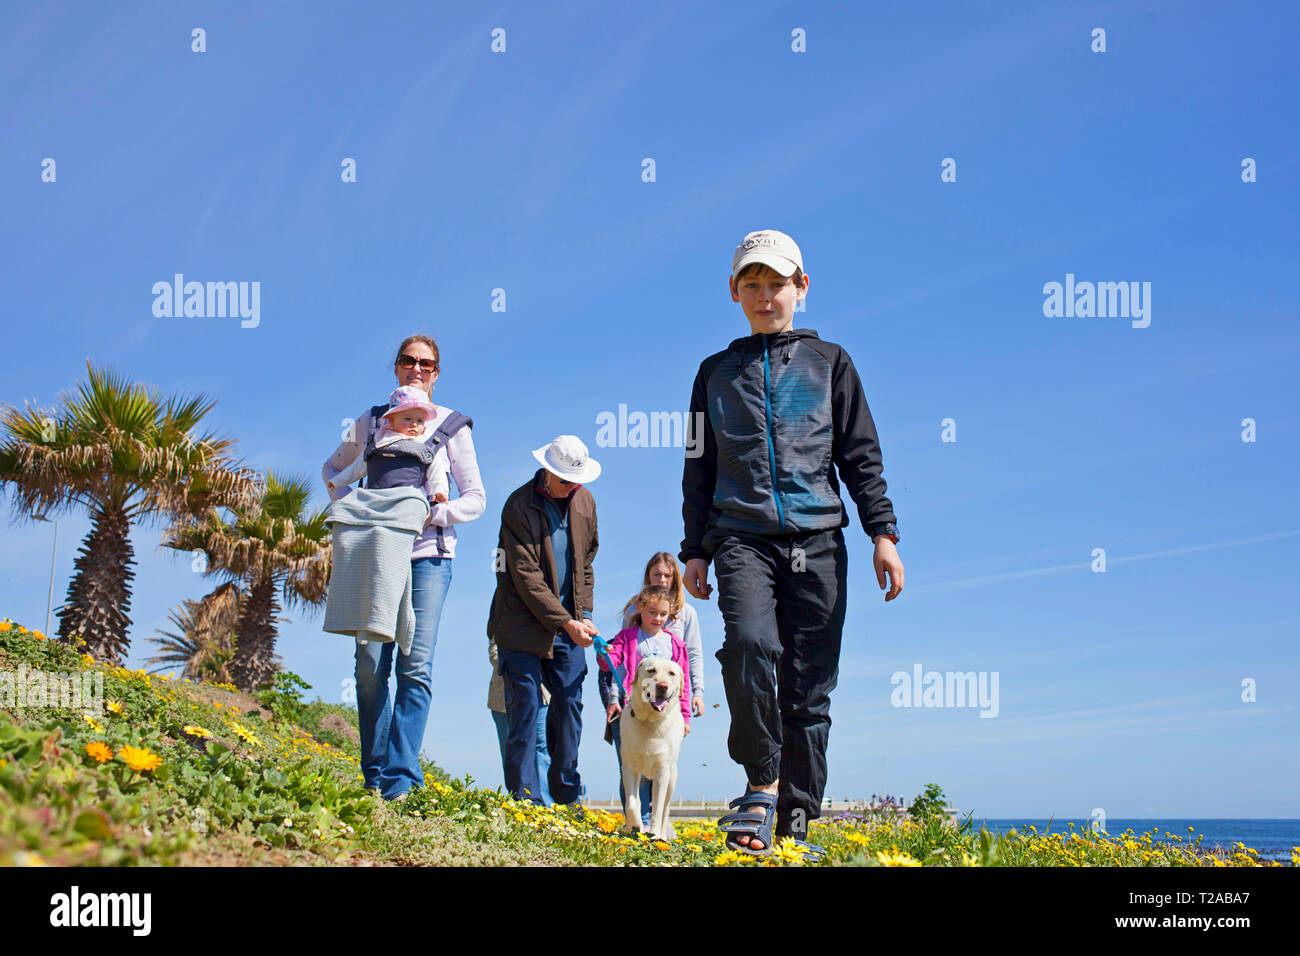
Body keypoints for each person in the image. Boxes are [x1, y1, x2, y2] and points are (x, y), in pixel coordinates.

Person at [680, 229, 904, 856]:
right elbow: (698, 467)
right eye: (751, 284)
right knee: (750, 645)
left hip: (820, 539)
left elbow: (861, 454)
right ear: (734, 292)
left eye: (776, 283)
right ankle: (760, 785)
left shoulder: (831, 362)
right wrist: (695, 547)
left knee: (809, 688)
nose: (764, 294)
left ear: (801, 287)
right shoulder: (713, 374)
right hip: (740, 537)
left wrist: (882, 532)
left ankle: (796, 819)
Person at [322, 335, 486, 801]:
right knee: (370, 666)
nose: (417, 368)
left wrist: (430, 512)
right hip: (375, 556)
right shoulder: (372, 421)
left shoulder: (452, 427)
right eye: (408, 361)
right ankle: (373, 771)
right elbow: (332, 470)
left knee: (417, 667)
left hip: (428, 559)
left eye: (427, 363)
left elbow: (475, 498)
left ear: (437, 372)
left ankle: (400, 781)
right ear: (396, 367)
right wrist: (359, 511)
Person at [487, 435, 600, 807]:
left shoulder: (584, 500)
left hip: (569, 625)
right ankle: (526, 803)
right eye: (566, 479)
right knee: (525, 712)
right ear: (548, 472)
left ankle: (568, 800)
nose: (573, 486)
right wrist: (566, 621)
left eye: (577, 479)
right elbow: (526, 577)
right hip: (520, 626)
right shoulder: (517, 506)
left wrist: (582, 617)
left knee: (569, 707)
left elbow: (586, 561)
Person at [599, 552, 705, 821]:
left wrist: (696, 696)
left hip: (667, 705)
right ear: (648, 578)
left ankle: (656, 821)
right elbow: (618, 660)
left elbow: (691, 657)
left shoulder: (686, 617)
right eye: (657, 574)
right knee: (632, 760)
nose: (662, 580)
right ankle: (636, 822)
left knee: (661, 762)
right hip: (632, 699)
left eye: (668, 575)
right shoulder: (633, 614)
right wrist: (614, 695)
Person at [325, 385, 450, 504]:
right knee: (358, 507)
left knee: (416, 505)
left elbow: (437, 472)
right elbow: (357, 468)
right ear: (391, 420)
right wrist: (338, 482)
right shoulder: (379, 443)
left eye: (420, 420)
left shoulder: (424, 448)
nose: (414, 424)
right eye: (407, 419)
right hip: (375, 497)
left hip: (408, 498)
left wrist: (439, 491)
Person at [487, 637, 552, 805]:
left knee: (541, 748)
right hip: (503, 700)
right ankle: (520, 799)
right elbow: (495, 653)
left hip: (541, 696)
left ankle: (545, 804)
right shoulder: (502, 615)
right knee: (511, 750)